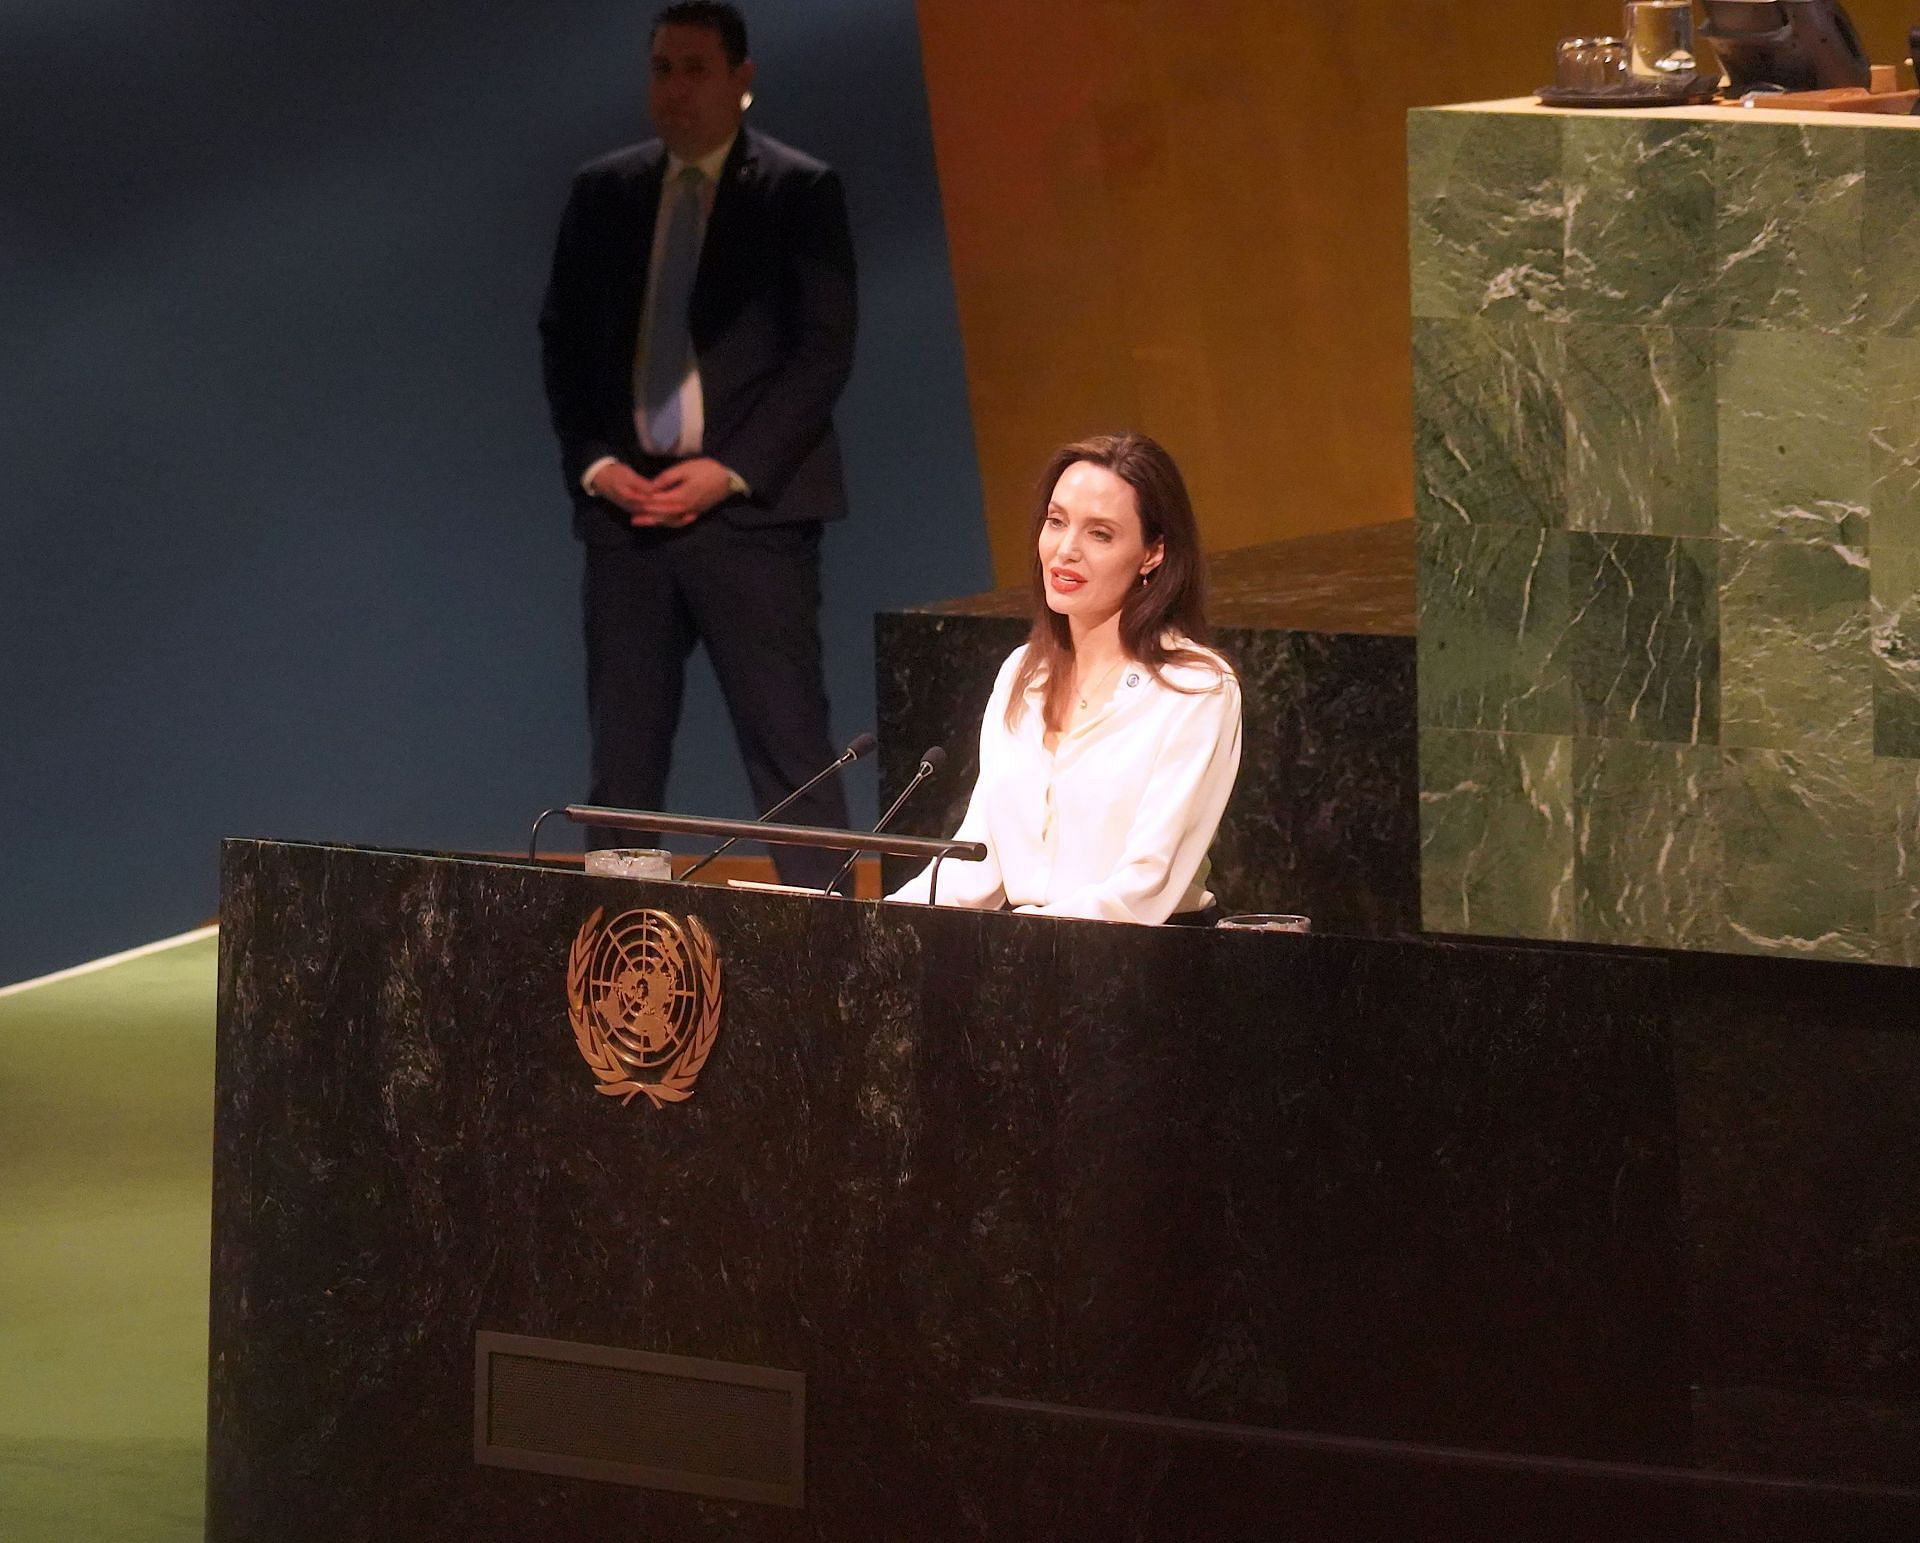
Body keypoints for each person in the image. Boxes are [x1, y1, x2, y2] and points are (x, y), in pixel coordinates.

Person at [538, 2, 857, 885]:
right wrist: (598, 465)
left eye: (694, 70)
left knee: (792, 755)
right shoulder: (602, 194)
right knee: (623, 768)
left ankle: (833, 976)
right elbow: (563, 342)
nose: (674, 89)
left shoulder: (798, 191)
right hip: (627, 521)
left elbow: (823, 349)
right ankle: (618, 975)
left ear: (741, 78)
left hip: (752, 519)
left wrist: (730, 471)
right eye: (661, 69)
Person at [890, 433, 1242, 925]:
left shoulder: (1196, 688)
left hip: (1149, 963)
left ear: (1153, 553)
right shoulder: (1022, 673)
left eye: (1100, 534)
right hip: (1030, 953)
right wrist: (862, 922)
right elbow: (974, 870)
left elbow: (1145, 886)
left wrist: (1024, 943)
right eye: (1056, 522)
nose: (1066, 550)